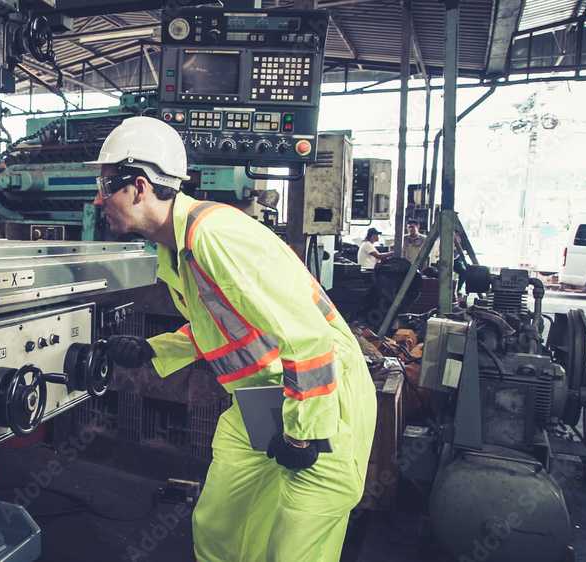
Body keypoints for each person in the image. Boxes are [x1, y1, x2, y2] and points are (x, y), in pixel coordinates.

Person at [88, 116, 376, 562]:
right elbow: (222, 324)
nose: (97, 198)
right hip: (262, 398)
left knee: (293, 546)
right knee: (221, 525)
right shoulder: (176, 248)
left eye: (106, 186)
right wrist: (155, 349)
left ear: (139, 187)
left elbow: (308, 337)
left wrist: (301, 436)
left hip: (320, 398)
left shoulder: (214, 236)